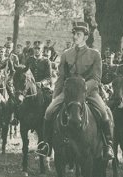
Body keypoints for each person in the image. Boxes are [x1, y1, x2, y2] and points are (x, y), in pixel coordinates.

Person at [44, 21, 114, 160]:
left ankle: (108, 145)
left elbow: (96, 78)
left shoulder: (94, 54)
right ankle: (46, 145)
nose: (75, 37)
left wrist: (82, 89)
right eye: (74, 34)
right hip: (68, 92)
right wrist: (55, 96)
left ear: (85, 37)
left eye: (78, 34)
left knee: (104, 113)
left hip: (89, 92)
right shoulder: (66, 54)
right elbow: (61, 77)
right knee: (49, 111)